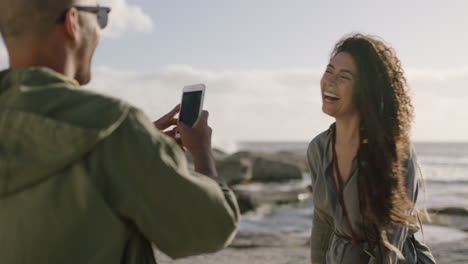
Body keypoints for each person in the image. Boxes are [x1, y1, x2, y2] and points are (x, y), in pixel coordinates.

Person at [0, 0, 239, 263]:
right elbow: (209, 229)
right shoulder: (113, 127)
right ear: (73, 22)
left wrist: (146, 145)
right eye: (100, 16)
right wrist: (202, 153)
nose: (101, 30)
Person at [307, 34, 436, 264]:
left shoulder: (393, 151)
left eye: (344, 76)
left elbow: (391, 243)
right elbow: (322, 224)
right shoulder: (318, 148)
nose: (330, 82)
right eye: (329, 71)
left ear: (365, 90)